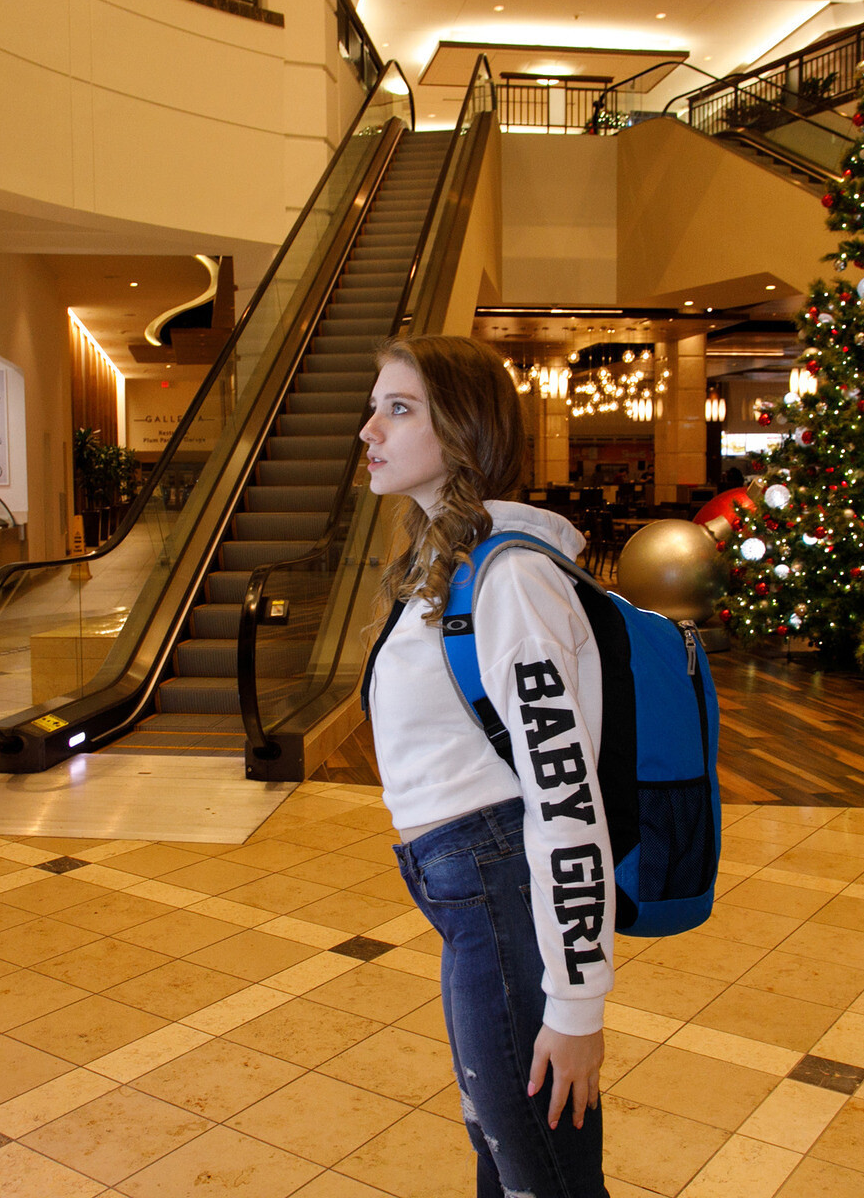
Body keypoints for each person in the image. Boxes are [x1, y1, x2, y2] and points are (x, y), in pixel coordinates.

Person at [359, 334, 612, 1198]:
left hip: (505, 891)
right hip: (470, 895)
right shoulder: (448, 563)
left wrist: (576, 1006)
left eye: (399, 409)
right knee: (505, 1158)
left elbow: (568, 798)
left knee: (542, 1174)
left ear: (463, 428)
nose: (370, 430)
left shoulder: (510, 580)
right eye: (374, 408)